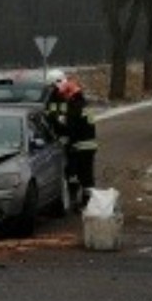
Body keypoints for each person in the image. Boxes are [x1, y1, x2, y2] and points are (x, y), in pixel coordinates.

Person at [56, 79, 97, 208]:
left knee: (74, 174)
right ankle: (87, 202)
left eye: (65, 95)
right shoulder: (86, 105)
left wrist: (61, 127)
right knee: (87, 176)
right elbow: (89, 126)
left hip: (79, 147)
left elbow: (72, 129)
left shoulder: (74, 107)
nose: (64, 98)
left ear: (70, 94)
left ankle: (75, 200)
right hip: (90, 146)